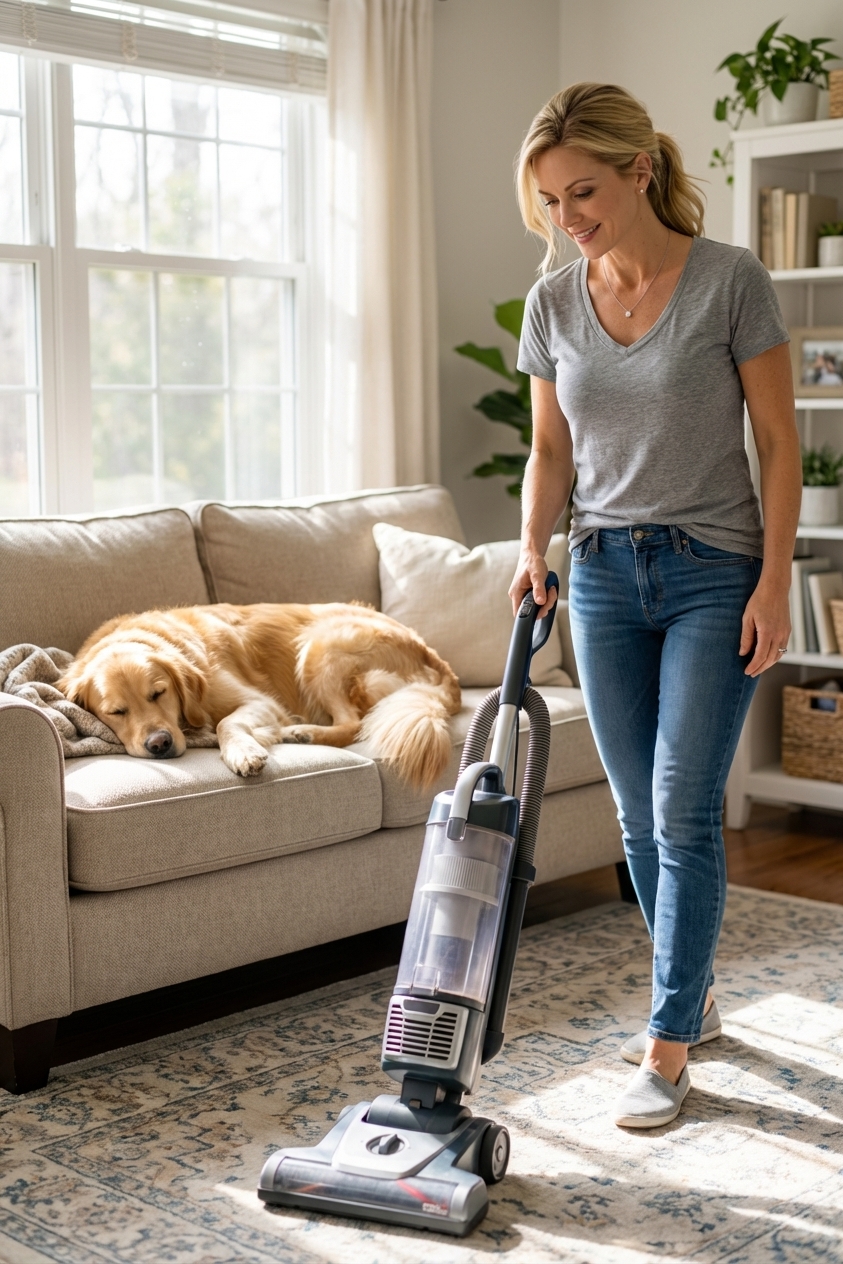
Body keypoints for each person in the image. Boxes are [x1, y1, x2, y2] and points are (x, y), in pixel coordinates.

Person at [509, 83, 801, 1129]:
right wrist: (532, 542)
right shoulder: (554, 304)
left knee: (683, 807)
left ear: (640, 170)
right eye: (549, 199)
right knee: (639, 815)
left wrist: (775, 580)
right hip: (600, 573)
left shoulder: (729, 280)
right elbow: (551, 450)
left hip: (713, 570)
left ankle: (668, 1042)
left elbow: (776, 441)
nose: (567, 217)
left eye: (582, 191)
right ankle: (700, 991)